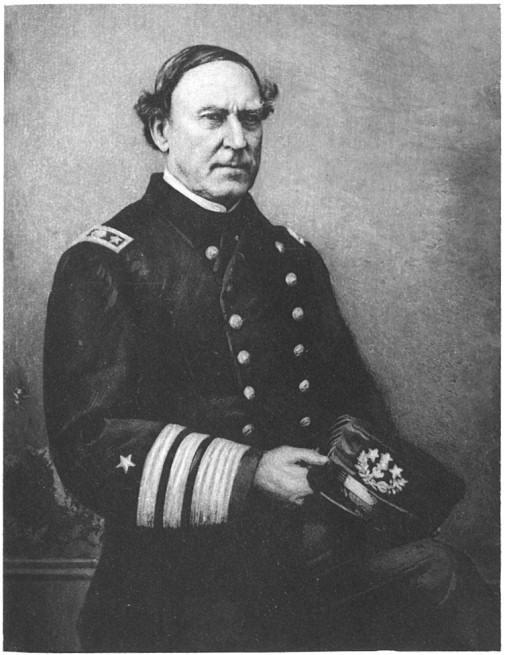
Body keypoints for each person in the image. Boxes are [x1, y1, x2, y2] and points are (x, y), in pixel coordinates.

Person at [43, 45, 499, 651]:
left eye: (251, 119)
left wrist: (368, 491)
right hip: (178, 579)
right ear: (160, 131)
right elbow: (90, 441)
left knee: (445, 579)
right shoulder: (107, 263)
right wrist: (251, 472)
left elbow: (353, 404)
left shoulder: (293, 257)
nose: (237, 140)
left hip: (310, 555)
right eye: (213, 118)